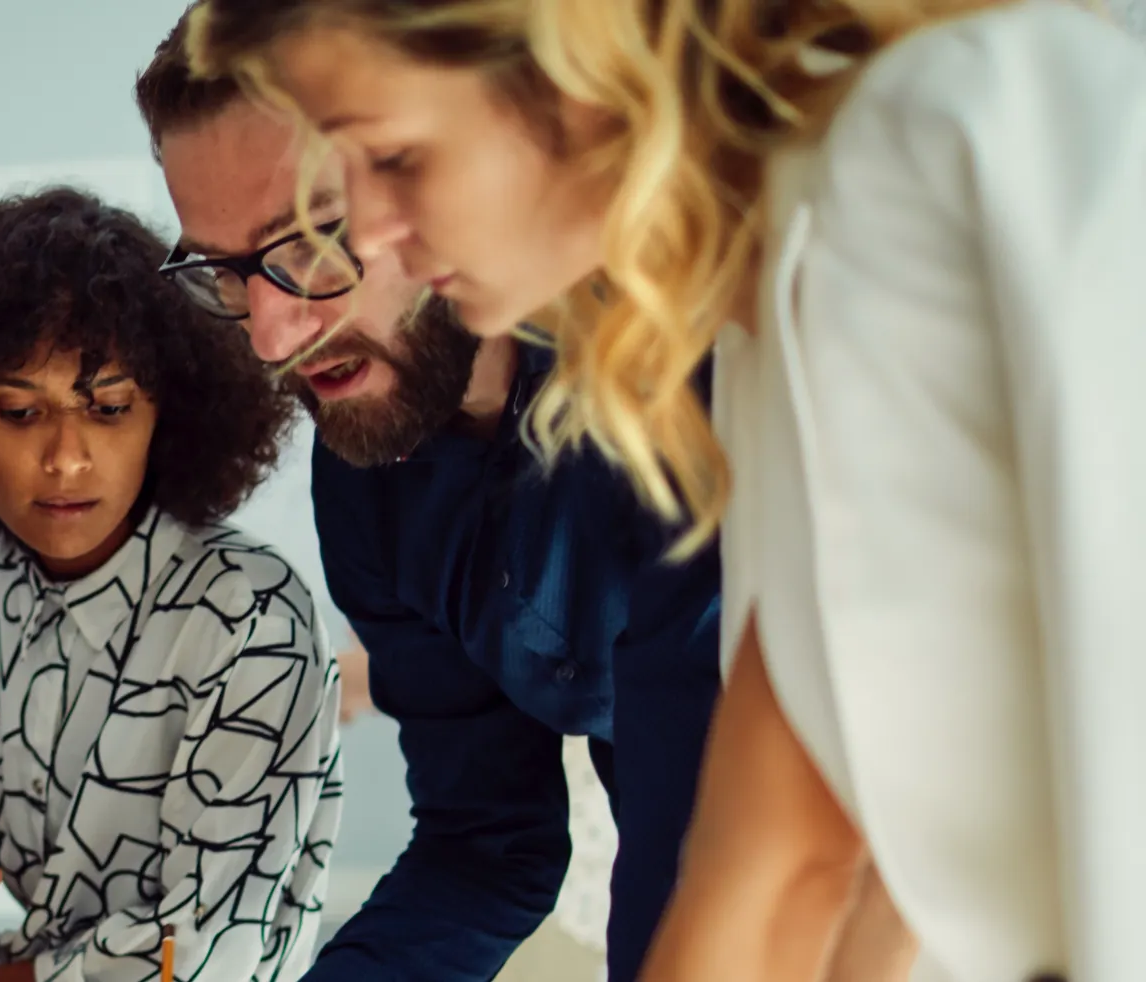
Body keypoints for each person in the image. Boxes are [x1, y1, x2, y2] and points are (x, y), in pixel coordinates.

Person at [186, 0, 1146, 980]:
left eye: (389, 161)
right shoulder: (758, 336)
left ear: (567, 65)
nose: (376, 233)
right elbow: (790, 855)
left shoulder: (920, 153)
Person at [130, 13, 727, 981]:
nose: (273, 337)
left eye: (312, 241)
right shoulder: (368, 475)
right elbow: (489, 846)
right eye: (229, 273)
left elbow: (738, 825)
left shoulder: (686, 377)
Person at [0, 187, 343, 982]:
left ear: (166, 415)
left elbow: (198, 958)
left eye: (106, 409)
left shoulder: (248, 616)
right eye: (19, 413)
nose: (66, 459)